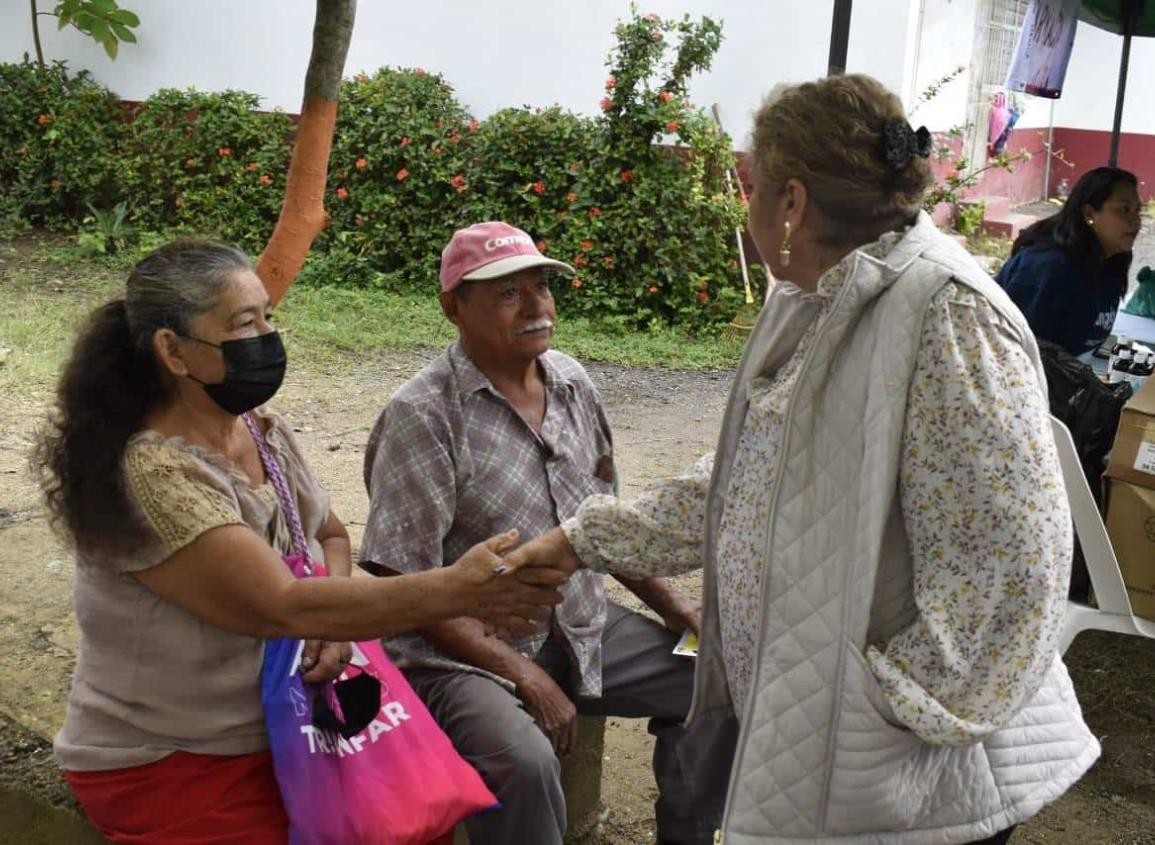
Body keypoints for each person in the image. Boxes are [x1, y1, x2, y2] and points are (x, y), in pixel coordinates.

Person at [509, 75, 1100, 845]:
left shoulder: (947, 314)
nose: (742, 204)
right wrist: (583, 537)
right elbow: (742, 482)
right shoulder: (815, 296)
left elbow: (1009, 573)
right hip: (835, 759)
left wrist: (878, 708)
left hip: (911, 785)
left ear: (789, 203)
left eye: (749, 185)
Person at [34, 239, 564, 845]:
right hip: (179, 758)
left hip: (294, 726)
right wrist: (458, 588)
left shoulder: (260, 432)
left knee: (420, 828)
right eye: (244, 323)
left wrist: (330, 624)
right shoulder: (153, 475)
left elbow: (331, 535)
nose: (267, 337)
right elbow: (280, 605)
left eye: (268, 317)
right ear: (173, 351)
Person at [359, 221, 737, 845]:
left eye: (540, 285)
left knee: (717, 683)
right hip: (460, 654)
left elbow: (604, 521)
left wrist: (674, 605)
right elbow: (401, 578)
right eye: (508, 293)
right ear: (453, 307)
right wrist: (526, 675)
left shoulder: (570, 382)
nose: (537, 306)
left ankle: (689, 834)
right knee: (524, 760)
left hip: (583, 625)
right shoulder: (422, 413)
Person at [996, 166, 1142, 359]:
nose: (1135, 220)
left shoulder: (1111, 261)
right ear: (1089, 214)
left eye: (1137, 210)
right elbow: (1016, 351)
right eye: (1124, 209)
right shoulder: (1047, 267)